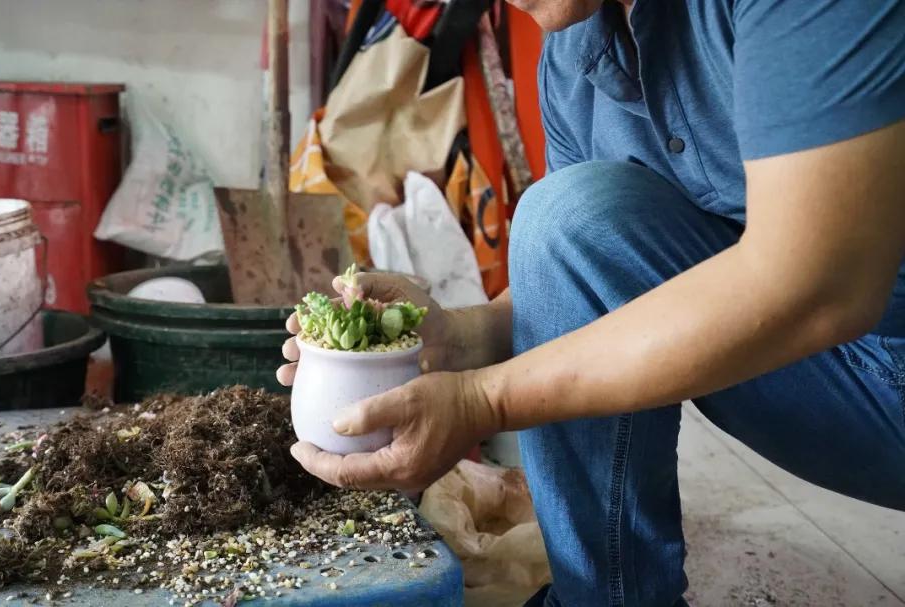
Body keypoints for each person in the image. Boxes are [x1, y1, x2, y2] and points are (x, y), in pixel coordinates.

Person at [278, 0, 905, 604]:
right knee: (564, 219)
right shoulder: (577, 53)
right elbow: (576, 274)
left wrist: (482, 401)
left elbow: (820, 284)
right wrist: (453, 338)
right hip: (835, 379)